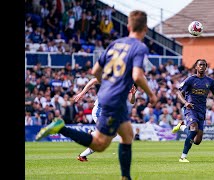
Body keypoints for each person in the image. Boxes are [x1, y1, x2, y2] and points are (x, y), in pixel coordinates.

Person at [35, 10, 158, 180]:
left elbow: (95, 71)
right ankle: (61, 128)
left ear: (128, 26)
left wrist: (108, 84)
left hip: (114, 100)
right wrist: (151, 94)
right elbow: (137, 76)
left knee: (127, 134)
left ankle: (125, 177)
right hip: (112, 102)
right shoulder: (139, 47)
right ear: (145, 28)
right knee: (100, 144)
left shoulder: (115, 44)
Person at [171, 59, 214, 163]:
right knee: (194, 129)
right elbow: (179, 93)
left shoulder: (209, 81)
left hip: (202, 111)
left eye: (204, 65)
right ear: (196, 67)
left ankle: (182, 127)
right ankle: (183, 157)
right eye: (200, 65)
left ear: (206, 67)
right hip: (190, 108)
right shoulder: (190, 80)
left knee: (197, 141)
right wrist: (186, 103)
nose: (201, 67)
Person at [73, 77, 137, 162]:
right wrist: (81, 93)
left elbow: (132, 101)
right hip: (100, 111)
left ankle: (82, 156)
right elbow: (93, 81)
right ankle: (92, 134)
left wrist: (133, 94)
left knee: (106, 138)